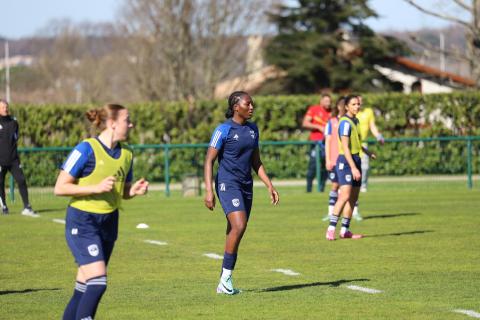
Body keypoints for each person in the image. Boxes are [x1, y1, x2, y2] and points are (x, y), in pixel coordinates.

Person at [54, 104, 149, 320]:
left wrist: (132, 191)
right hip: (83, 221)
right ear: (112, 123)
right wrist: (94, 188)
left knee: (84, 287)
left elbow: (122, 191)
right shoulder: (85, 149)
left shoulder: (127, 153)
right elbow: (60, 187)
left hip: (109, 222)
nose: (131, 124)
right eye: (127, 120)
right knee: (98, 283)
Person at [204, 91, 279, 295]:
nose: (252, 107)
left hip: (246, 185)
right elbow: (209, 160)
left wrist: (269, 186)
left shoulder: (253, 130)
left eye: (252, 103)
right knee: (239, 224)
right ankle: (226, 279)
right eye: (248, 104)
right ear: (236, 107)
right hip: (228, 183)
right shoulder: (223, 130)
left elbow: (256, 162)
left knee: (235, 230)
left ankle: (224, 281)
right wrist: (209, 190)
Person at [325, 95, 375, 241]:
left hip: (356, 160)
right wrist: (353, 168)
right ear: (346, 107)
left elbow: (357, 142)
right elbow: (345, 147)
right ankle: (331, 229)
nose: (357, 106)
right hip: (346, 163)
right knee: (345, 195)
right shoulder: (345, 122)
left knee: (353, 198)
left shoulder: (356, 121)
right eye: (353, 104)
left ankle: (345, 230)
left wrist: (367, 152)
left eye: (358, 104)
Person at [0, 99, 38, 217]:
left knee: (21, 180)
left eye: (6, 107)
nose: (5, 109)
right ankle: (4, 206)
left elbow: (15, 138)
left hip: (13, 159)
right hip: (0, 161)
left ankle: (27, 206)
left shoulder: (14, 122)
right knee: (0, 184)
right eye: (2, 107)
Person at [322, 97, 346, 221]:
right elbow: (328, 141)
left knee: (347, 187)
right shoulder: (331, 122)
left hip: (347, 160)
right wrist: (328, 159)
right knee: (335, 186)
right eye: (341, 105)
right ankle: (331, 212)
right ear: (338, 106)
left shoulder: (350, 121)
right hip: (335, 160)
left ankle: (351, 212)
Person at [302, 93, 332, 192]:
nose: (328, 103)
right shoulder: (314, 109)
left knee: (325, 167)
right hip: (315, 143)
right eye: (326, 101)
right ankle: (309, 190)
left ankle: (321, 189)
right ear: (321, 101)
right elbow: (305, 123)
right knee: (313, 166)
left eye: (330, 101)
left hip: (328, 143)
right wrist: (319, 127)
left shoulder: (332, 112)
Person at [356, 95, 384, 193]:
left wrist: (378, 136)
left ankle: (363, 186)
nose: (359, 103)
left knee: (364, 167)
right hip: (352, 144)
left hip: (363, 144)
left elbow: (372, 126)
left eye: (360, 101)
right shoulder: (350, 114)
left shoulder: (368, 112)